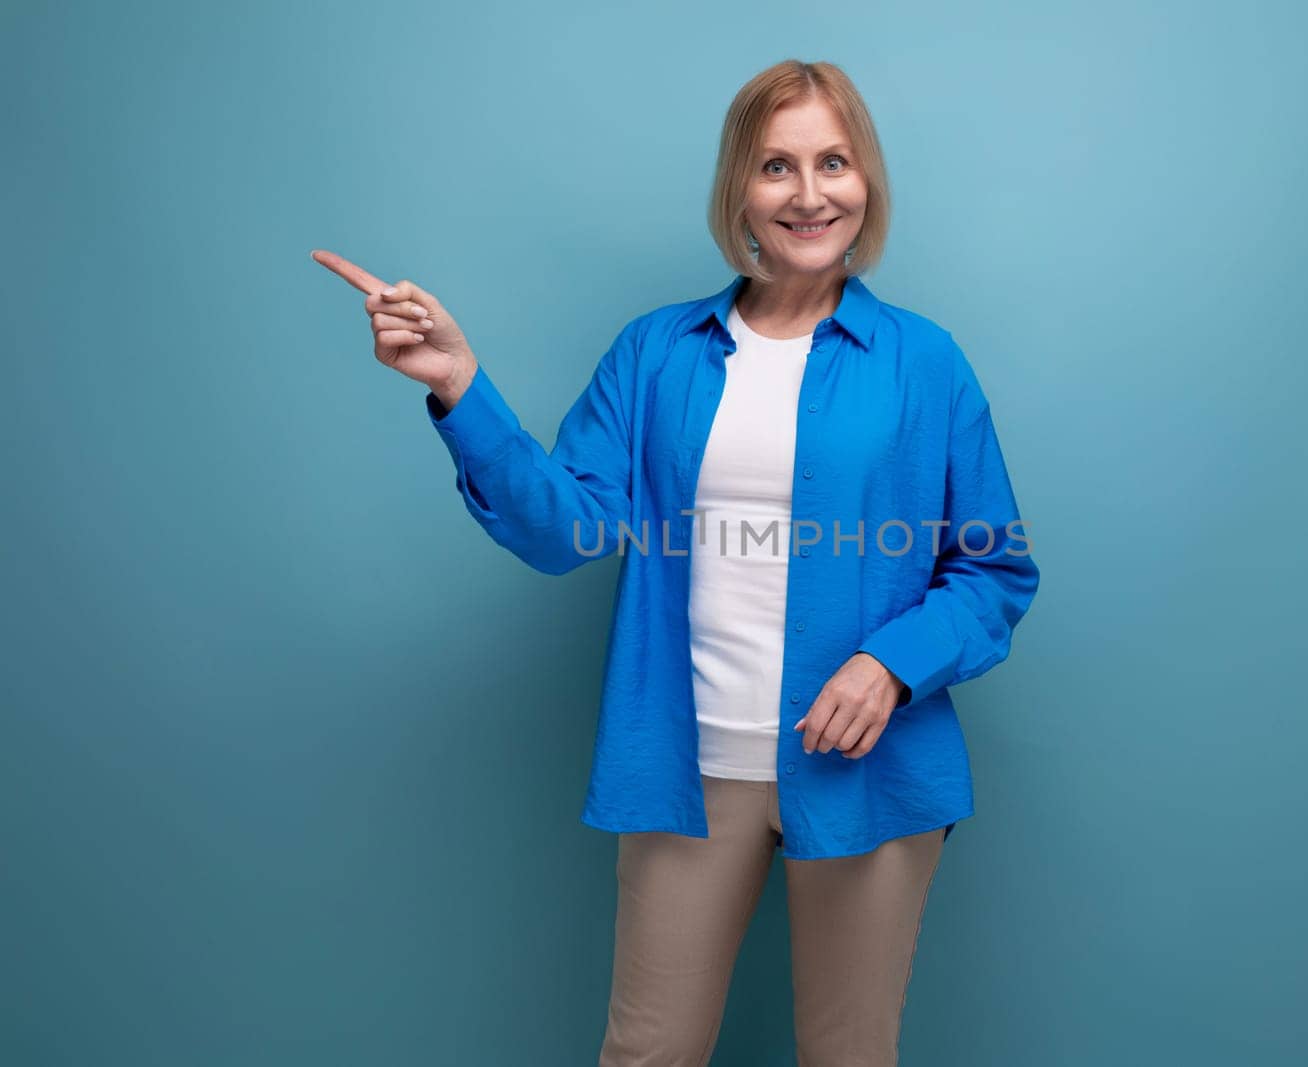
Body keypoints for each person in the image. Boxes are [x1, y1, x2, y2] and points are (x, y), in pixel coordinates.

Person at [313, 58, 1039, 1067]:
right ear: (739, 189)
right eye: (777, 165)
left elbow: (993, 569)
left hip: (870, 773)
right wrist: (459, 386)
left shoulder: (926, 363)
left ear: (864, 180)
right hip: (690, 770)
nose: (809, 191)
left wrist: (890, 661)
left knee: (850, 1054)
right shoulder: (654, 354)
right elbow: (565, 532)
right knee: (647, 1052)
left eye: (834, 161)